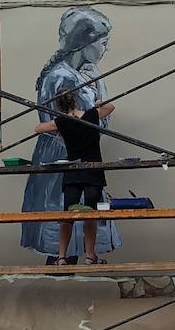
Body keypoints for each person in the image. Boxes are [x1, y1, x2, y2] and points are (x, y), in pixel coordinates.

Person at [21, 6, 121, 263]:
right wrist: (99, 89)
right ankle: (66, 262)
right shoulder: (61, 78)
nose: (106, 49)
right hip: (62, 161)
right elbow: (58, 123)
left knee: (77, 215)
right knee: (65, 216)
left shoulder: (78, 75)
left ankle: (73, 259)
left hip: (72, 160)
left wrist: (98, 80)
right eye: (103, 42)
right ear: (85, 42)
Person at [33, 90, 115, 266]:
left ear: (59, 106)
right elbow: (110, 107)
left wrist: (58, 128)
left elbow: (38, 128)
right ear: (76, 101)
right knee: (90, 213)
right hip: (93, 169)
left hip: (73, 171)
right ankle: (90, 256)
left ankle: (61, 257)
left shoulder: (62, 122)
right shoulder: (92, 115)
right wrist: (98, 103)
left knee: (67, 215)